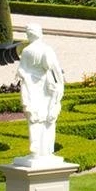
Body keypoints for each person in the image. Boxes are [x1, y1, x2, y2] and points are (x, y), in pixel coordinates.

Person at [17, 23, 65, 161]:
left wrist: (26, 76)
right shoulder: (46, 49)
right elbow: (56, 69)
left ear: (29, 35)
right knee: (49, 117)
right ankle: (47, 150)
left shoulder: (26, 51)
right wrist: (61, 85)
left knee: (34, 117)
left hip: (32, 86)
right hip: (46, 87)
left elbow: (21, 70)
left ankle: (36, 149)